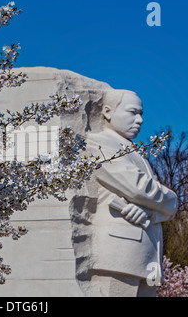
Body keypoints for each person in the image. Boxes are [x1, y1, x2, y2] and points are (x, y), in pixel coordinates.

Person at [70, 89, 178, 297]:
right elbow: (139, 188)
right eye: (132, 112)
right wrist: (170, 200)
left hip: (145, 258)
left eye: (141, 114)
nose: (140, 120)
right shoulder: (98, 143)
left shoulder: (132, 151)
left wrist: (151, 212)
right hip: (119, 255)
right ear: (108, 112)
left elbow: (144, 196)